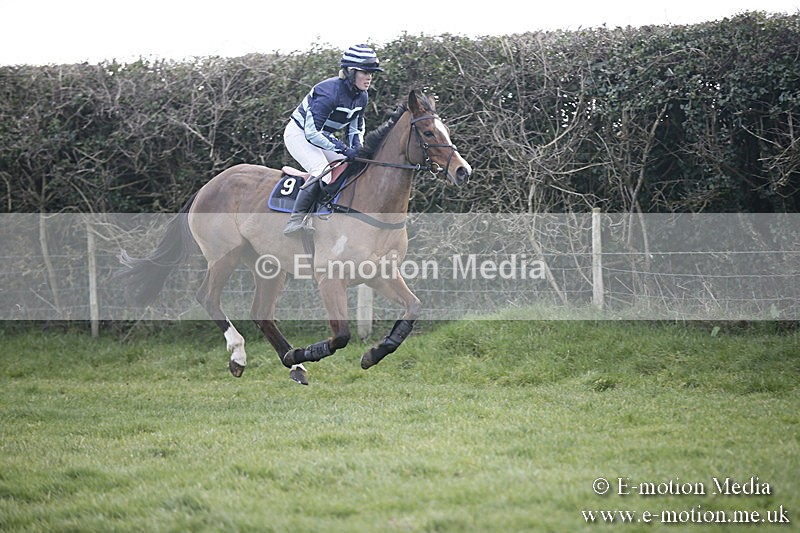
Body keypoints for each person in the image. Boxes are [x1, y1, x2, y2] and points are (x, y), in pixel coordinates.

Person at [282, 44, 384, 236]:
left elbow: (356, 128)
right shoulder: (328, 92)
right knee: (322, 171)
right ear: (351, 72)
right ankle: (295, 220)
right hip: (299, 135)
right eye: (365, 72)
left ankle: (325, 207)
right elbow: (312, 133)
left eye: (372, 73)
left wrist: (357, 149)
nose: (369, 77)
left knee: (348, 166)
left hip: (320, 136)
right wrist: (344, 149)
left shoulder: (362, 96)